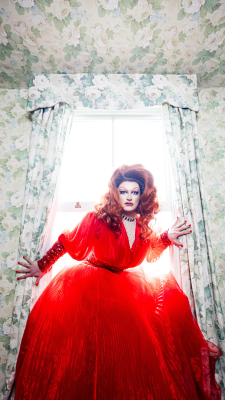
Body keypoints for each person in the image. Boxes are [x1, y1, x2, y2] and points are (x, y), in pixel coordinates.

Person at [15, 164, 222, 400]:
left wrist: (166, 236)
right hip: (90, 284)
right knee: (87, 353)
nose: (129, 197)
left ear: (143, 194)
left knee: (124, 354)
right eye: (124, 191)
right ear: (115, 193)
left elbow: (151, 253)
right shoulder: (97, 218)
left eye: (135, 192)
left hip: (126, 288)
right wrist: (42, 266)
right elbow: (67, 241)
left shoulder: (144, 224)